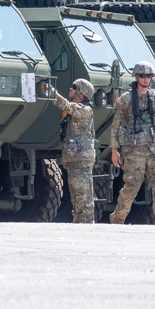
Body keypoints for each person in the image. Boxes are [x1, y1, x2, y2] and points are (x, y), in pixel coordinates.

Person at [109, 61, 155, 224]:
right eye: (142, 76)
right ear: (136, 77)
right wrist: (114, 150)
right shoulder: (126, 100)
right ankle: (118, 219)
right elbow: (116, 125)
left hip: (153, 151)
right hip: (134, 152)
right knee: (131, 188)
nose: (145, 79)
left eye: (148, 76)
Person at [53, 78, 96, 224]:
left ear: (82, 94)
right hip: (75, 159)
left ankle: (86, 225)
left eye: (74, 87)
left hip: (81, 159)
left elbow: (65, 105)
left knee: (83, 197)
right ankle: (79, 224)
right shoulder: (78, 110)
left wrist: (50, 92)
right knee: (77, 196)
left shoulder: (84, 110)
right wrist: (67, 159)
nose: (70, 89)